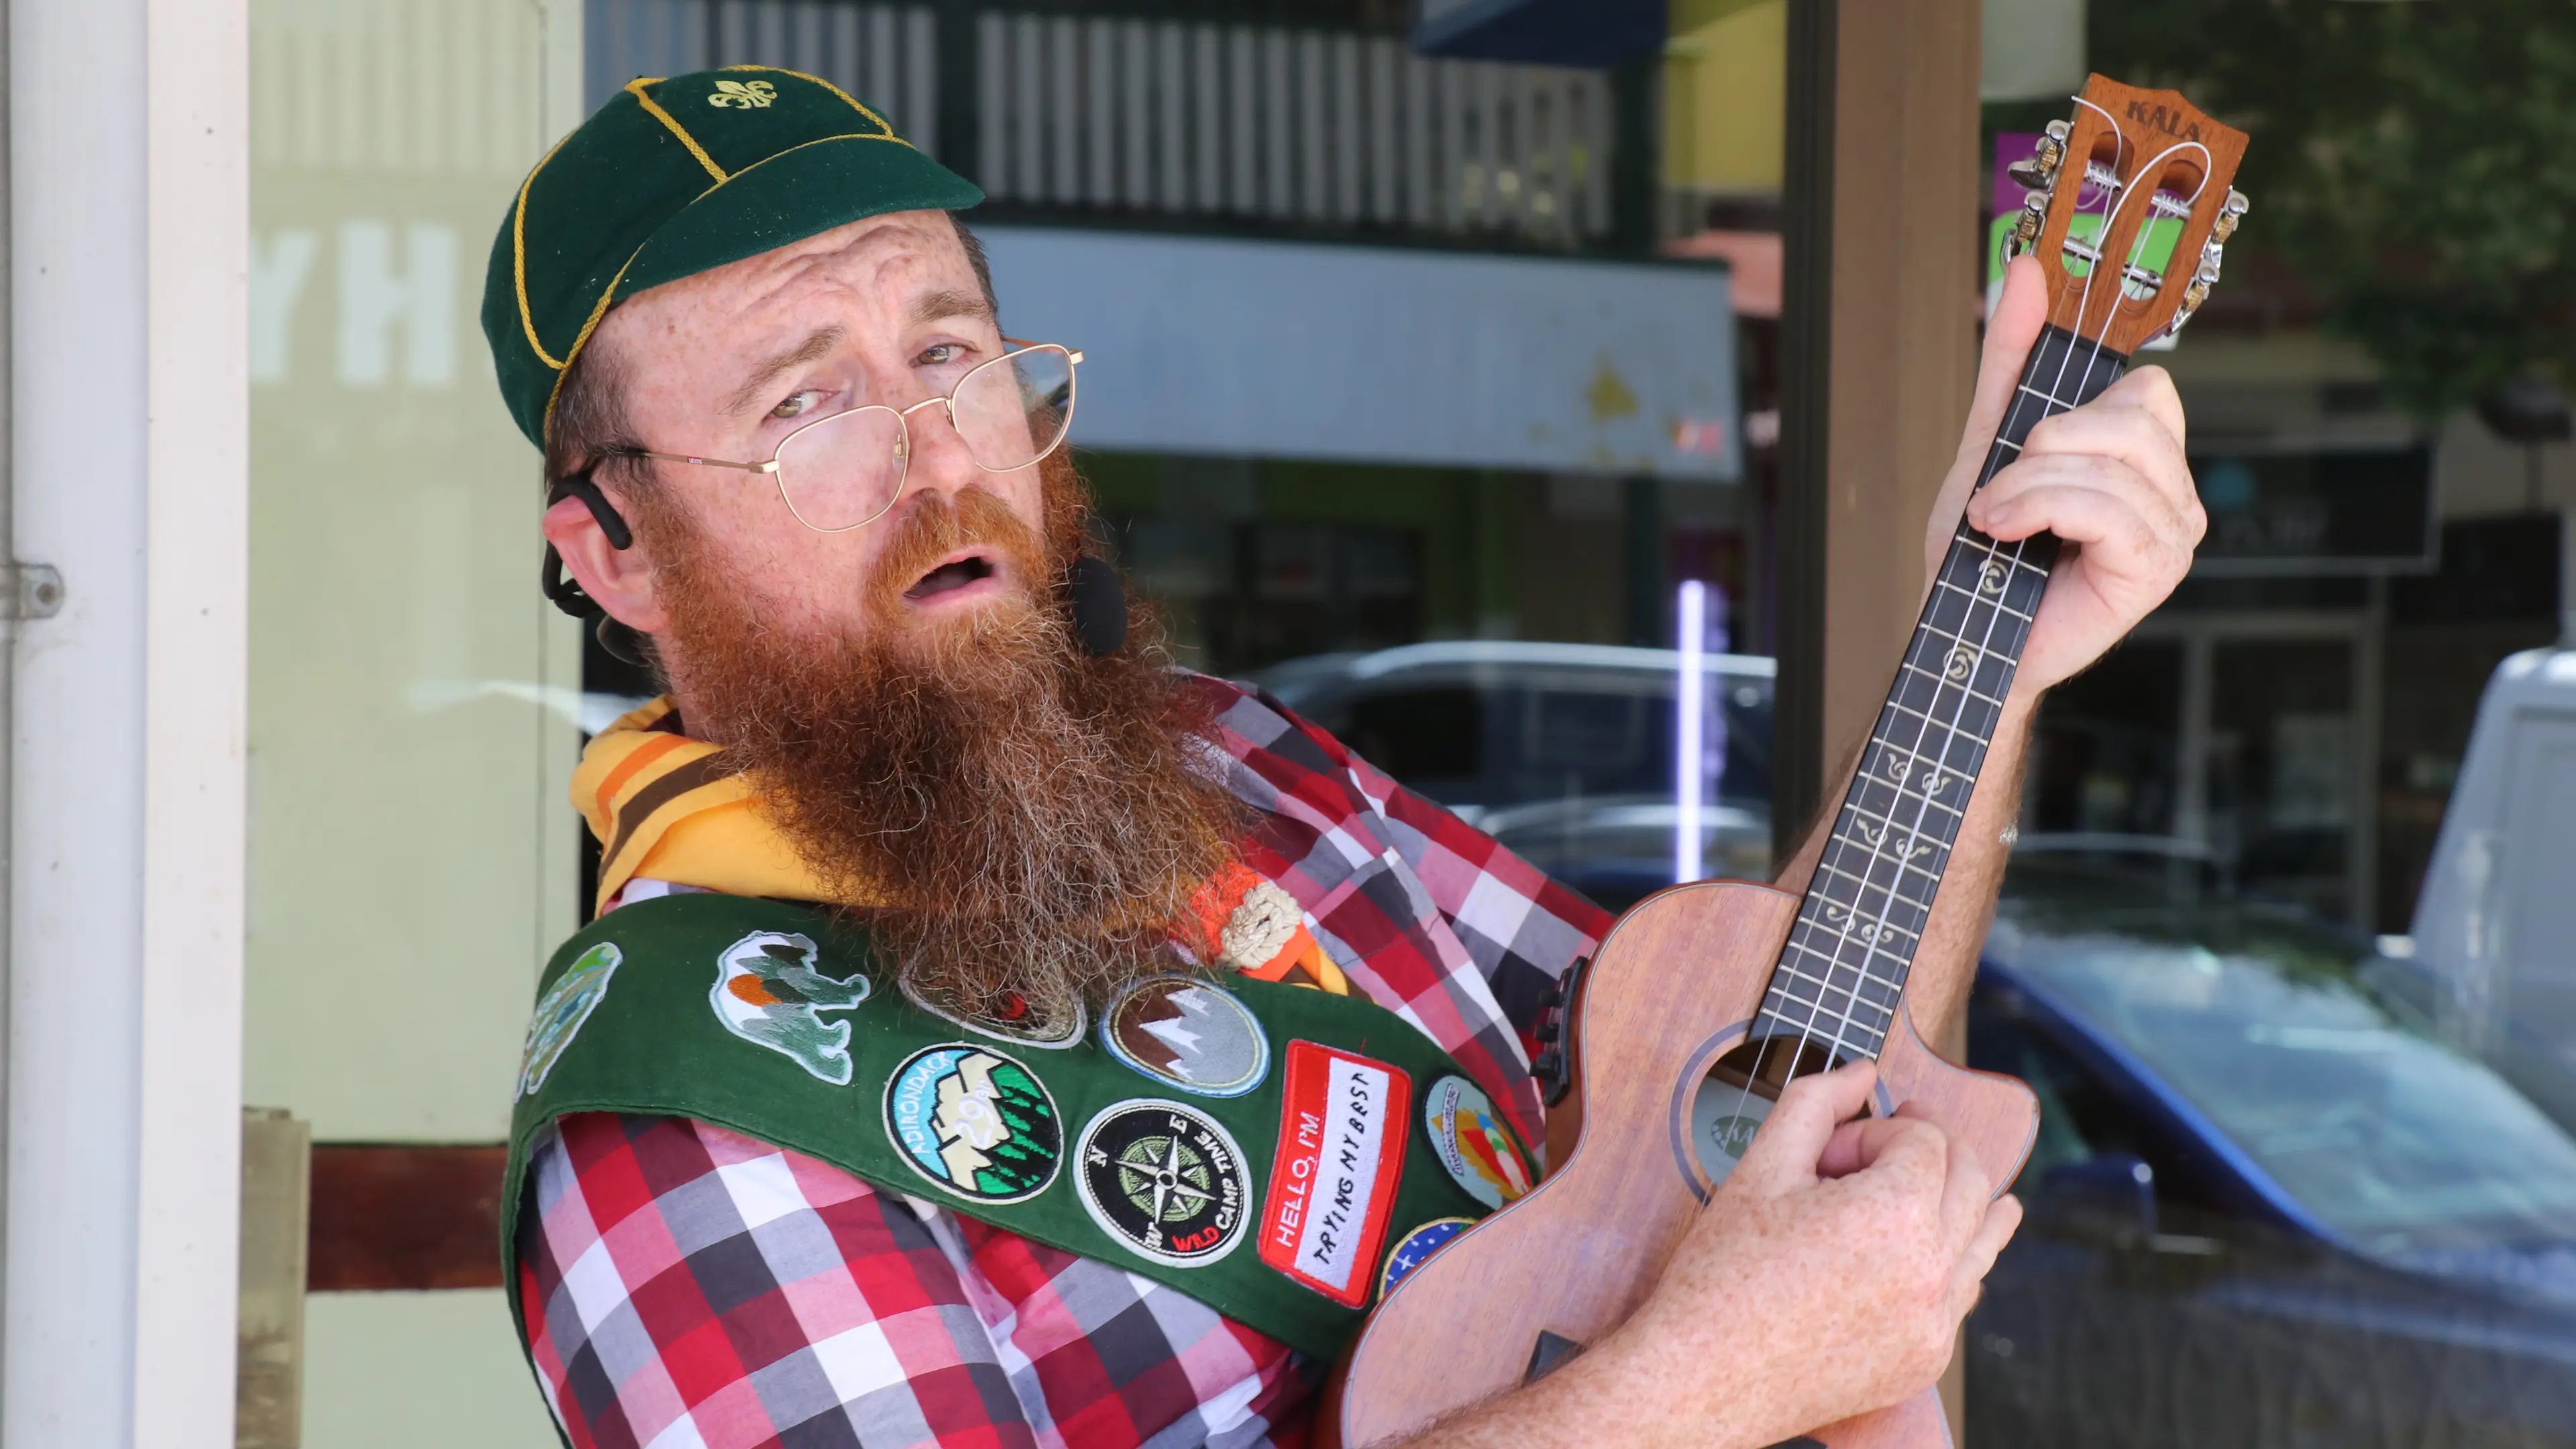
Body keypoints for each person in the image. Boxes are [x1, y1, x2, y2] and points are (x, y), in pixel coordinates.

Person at [488, 69, 2203, 1449]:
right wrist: (1702, 1388)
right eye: (809, 403)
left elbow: (1740, 1090)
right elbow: (1713, 1342)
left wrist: (1990, 662)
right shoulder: (680, 1110)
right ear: (615, 546)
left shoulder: (1229, 763)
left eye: (948, 352)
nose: (940, 454)